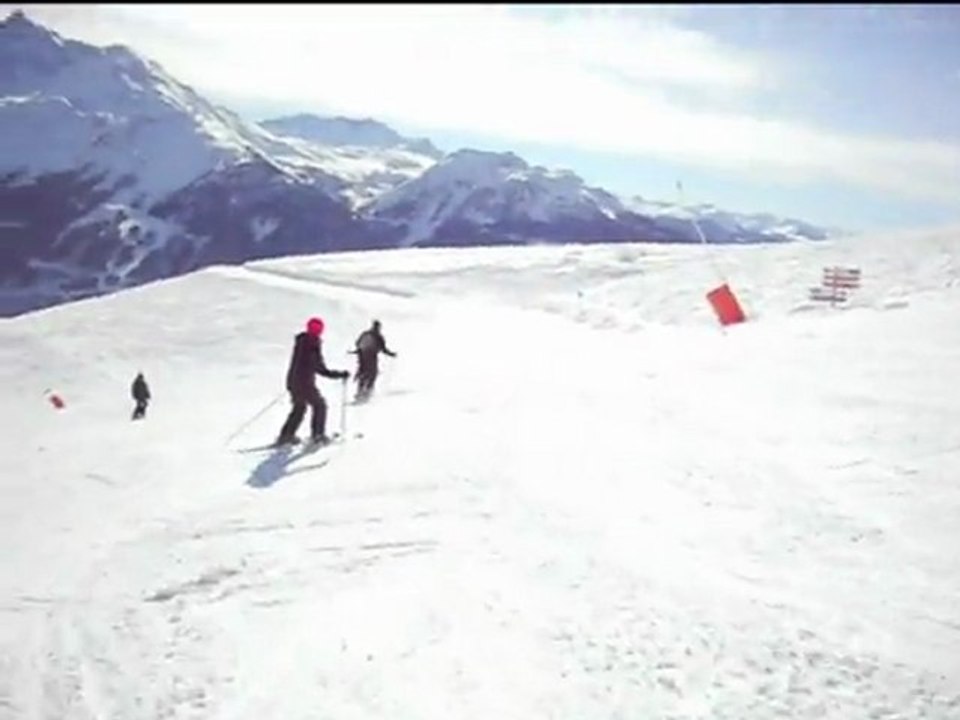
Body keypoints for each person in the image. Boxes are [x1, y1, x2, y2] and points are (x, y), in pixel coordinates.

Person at [276, 316, 349, 446]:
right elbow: (320, 369)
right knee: (320, 405)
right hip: (305, 383)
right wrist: (340, 374)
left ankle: (286, 435)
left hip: (293, 381)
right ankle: (318, 436)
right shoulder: (312, 344)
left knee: (299, 407)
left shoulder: (301, 342)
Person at [352, 319, 397, 403]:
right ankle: (367, 394)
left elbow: (357, 343)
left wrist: (357, 351)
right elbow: (384, 349)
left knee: (362, 373)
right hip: (371, 356)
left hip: (361, 356)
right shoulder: (378, 336)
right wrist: (391, 354)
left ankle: (359, 393)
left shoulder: (365, 334)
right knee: (372, 374)